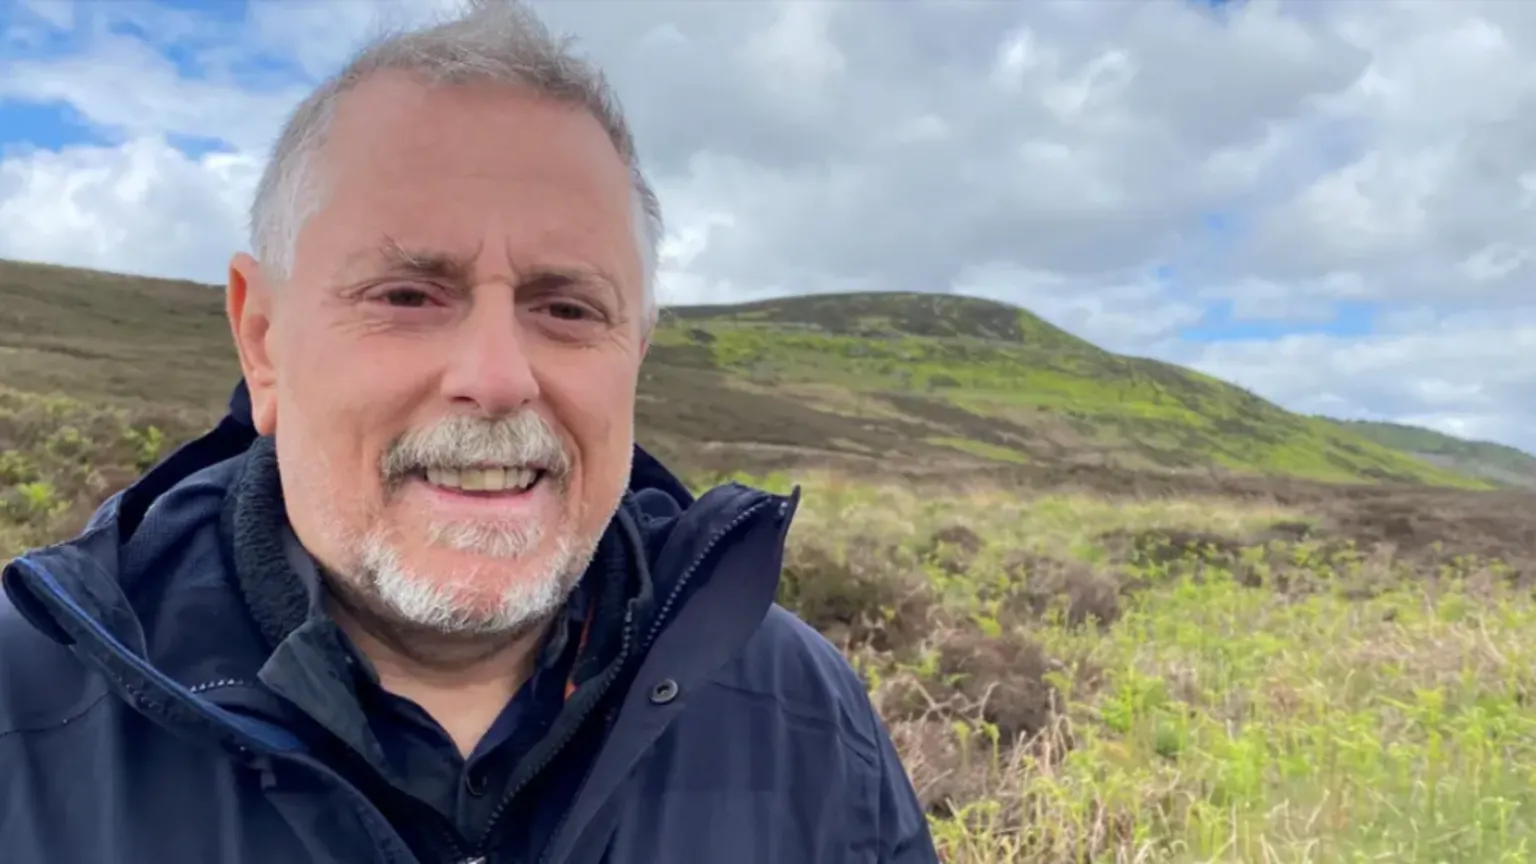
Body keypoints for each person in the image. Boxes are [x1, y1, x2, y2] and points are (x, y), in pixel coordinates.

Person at [0, 1, 938, 862]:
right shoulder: (25, 711)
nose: (496, 378)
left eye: (567, 308)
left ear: (637, 355)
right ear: (263, 341)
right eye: (408, 295)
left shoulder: (801, 713)